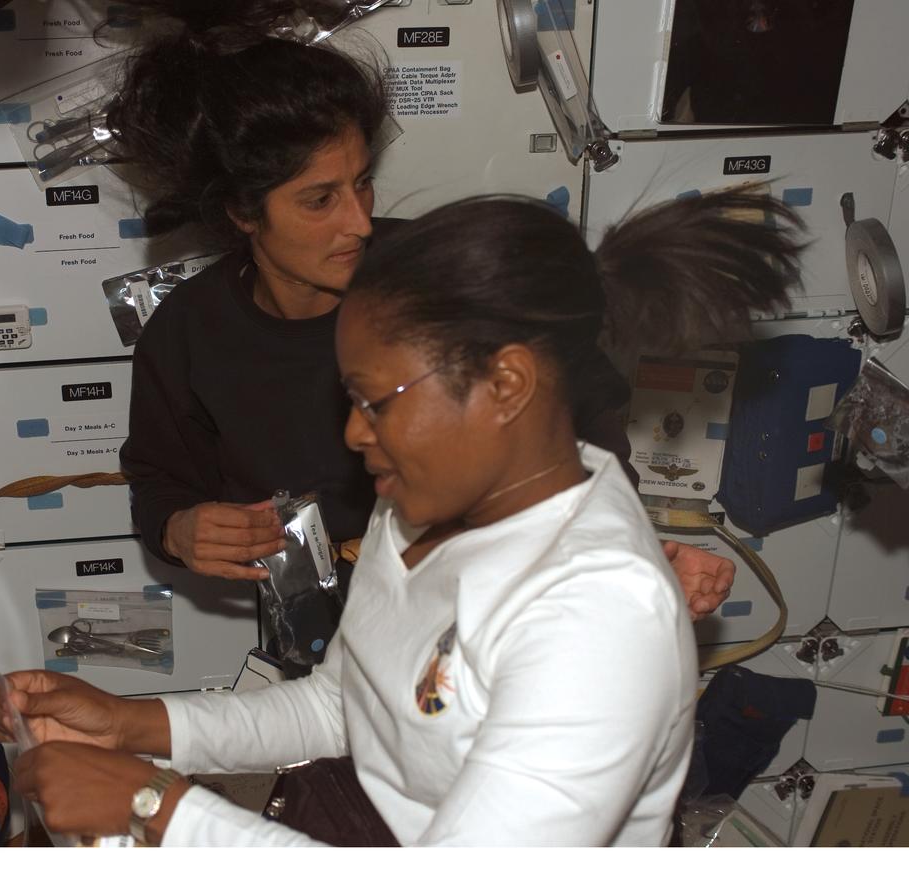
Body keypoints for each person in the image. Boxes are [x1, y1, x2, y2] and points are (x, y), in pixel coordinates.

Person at [0, 189, 807, 846]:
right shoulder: (422, 500)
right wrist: (132, 723)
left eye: (375, 401)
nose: (353, 434)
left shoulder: (598, 618)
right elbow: (341, 706)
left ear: (507, 385)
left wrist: (154, 805)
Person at [110, 1, 734, 626]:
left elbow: (586, 415)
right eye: (320, 200)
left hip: (493, 601)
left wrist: (623, 541)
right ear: (242, 212)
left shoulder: (441, 273)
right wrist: (177, 529)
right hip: (323, 628)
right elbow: (159, 477)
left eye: (362, 182)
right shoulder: (187, 332)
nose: (358, 222)